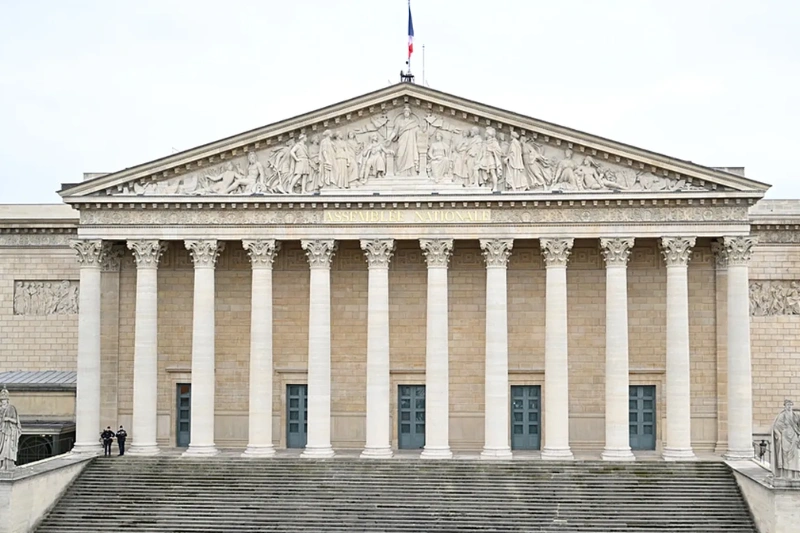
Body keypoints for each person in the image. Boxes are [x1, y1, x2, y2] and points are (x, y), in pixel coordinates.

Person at [0, 387, 22, 470]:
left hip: (9, 432)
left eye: (4, 400)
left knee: (7, 447)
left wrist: (8, 419)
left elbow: (16, 421)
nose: (3, 402)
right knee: (2, 448)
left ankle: (8, 464)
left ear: (7, 400)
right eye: (1, 400)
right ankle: (2, 464)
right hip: (2, 431)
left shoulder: (11, 408)